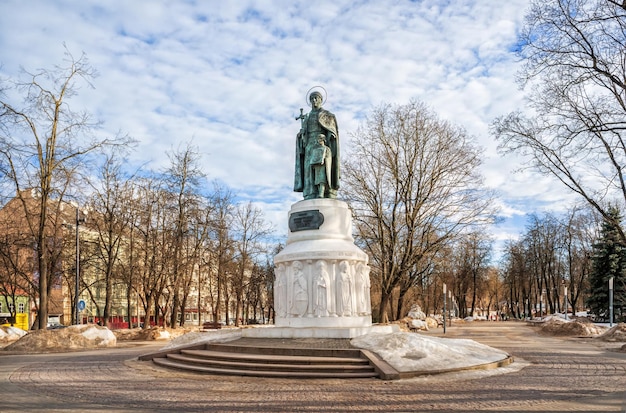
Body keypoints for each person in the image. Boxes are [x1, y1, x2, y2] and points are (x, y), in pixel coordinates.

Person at [294, 90, 340, 199]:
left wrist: (331, 135)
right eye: (312, 99)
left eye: (316, 98)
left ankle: (324, 191)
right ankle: (310, 193)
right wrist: (301, 135)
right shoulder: (307, 117)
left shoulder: (327, 115)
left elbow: (331, 129)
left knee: (321, 169)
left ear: (320, 100)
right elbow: (304, 132)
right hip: (309, 145)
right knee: (308, 170)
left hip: (321, 144)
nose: (314, 100)